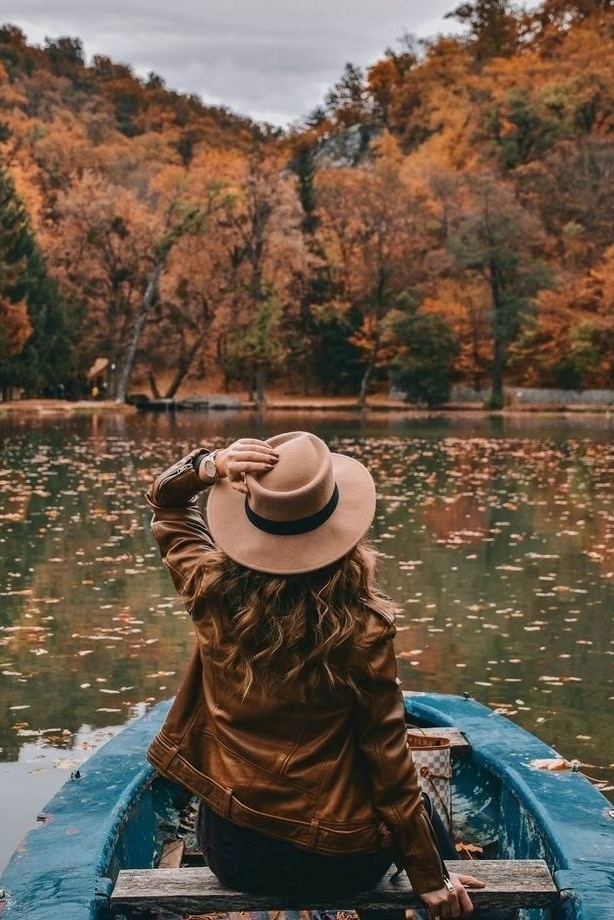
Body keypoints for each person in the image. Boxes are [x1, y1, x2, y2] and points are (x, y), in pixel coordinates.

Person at [146, 432, 484, 920]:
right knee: (419, 813)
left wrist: (211, 465)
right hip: (336, 864)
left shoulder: (209, 591)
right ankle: (453, 904)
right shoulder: (364, 632)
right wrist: (431, 876)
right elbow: (389, 768)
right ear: (340, 531)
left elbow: (166, 505)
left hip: (234, 853)